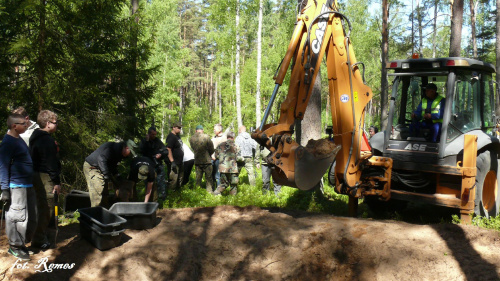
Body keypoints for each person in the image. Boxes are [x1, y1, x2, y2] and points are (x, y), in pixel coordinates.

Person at [0, 113, 37, 261]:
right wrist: (4, 189)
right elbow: (2, 166)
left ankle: (22, 244)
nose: (26, 125)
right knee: (17, 217)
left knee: (30, 217)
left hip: (28, 184)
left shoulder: (18, 138)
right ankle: (14, 246)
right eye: (23, 123)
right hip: (16, 186)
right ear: (14, 126)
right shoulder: (8, 142)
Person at [29, 110, 61, 250]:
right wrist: (56, 182)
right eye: (55, 122)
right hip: (44, 176)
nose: (57, 125)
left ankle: (41, 234)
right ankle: (38, 239)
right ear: (47, 124)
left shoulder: (36, 136)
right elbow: (51, 164)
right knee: (46, 208)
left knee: (41, 206)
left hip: (36, 174)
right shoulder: (46, 140)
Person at [83, 140, 135, 207]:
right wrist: (106, 175)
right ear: (127, 148)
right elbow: (101, 159)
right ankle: (95, 212)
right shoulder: (112, 148)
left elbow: (112, 166)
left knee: (105, 192)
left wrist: (117, 176)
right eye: (130, 152)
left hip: (101, 168)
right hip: (92, 167)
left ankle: (104, 211)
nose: (130, 155)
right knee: (98, 187)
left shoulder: (119, 154)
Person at [139, 126, 168, 200]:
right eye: (152, 135)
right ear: (149, 134)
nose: (154, 136)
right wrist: (147, 141)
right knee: (149, 183)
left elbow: (165, 150)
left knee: (161, 182)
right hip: (148, 164)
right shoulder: (144, 141)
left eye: (155, 134)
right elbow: (142, 151)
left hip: (158, 164)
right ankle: (150, 199)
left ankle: (162, 198)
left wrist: (160, 155)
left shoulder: (157, 141)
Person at [189, 125, 215, 193]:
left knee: (198, 178)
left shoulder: (191, 138)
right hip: (207, 161)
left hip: (197, 160)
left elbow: (193, 148)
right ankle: (209, 191)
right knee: (208, 177)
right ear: (202, 130)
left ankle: (197, 191)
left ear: (196, 130)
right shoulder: (206, 137)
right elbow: (211, 148)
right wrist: (208, 154)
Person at [166, 122, 184, 191]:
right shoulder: (171, 137)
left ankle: (178, 191)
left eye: (180, 128)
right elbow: (168, 149)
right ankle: (171, 194)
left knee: (180, 177)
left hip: (180, 161)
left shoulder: (177, 136)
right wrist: (172, 161)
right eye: (178, 128)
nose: (179, 129)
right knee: (173, 178)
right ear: (173, 127)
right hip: (174, 161)